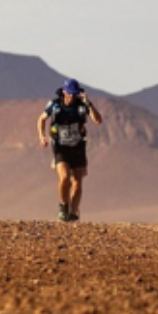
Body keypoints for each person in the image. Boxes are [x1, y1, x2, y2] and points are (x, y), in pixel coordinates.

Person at [38, 78, 103, 221]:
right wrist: (42, 136)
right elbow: (41, 119)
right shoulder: (55, 105)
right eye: (70, 93)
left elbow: (98, 120)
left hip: (78, 147)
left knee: (77, 182)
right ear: (64, 91)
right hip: (60, 147)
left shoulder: (82, 106)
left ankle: (73, 214)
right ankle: (63, 206)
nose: (72, 96)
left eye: (75, 94)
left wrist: (89, 103)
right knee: (65, 177)